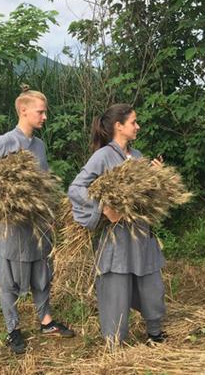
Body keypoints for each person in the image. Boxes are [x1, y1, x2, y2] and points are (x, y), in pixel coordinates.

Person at [0, 87, 75, 355]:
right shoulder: (4, 143)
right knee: (8, 280)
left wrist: (49, 215)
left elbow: (45, 183)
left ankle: (46, 321)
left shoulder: (39, 146)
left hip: (37, 226)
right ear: (23, 110)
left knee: (42, 274)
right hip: (10, 228)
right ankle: (12, 330)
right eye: (40, 111)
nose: (45, 116)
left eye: (45, 111)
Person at [68, 103, 166, 346]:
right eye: (133, 122)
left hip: (141, 233)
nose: (138, 126)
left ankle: (154, 333)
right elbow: (76, 188)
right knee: (116, 287)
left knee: (151, 283)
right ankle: (115, 343)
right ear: (118, 126)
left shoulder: (139, 156)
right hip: (117, 237)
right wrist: (103, 208)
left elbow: (145, 196)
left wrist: (156, 177)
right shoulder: (102, 157)